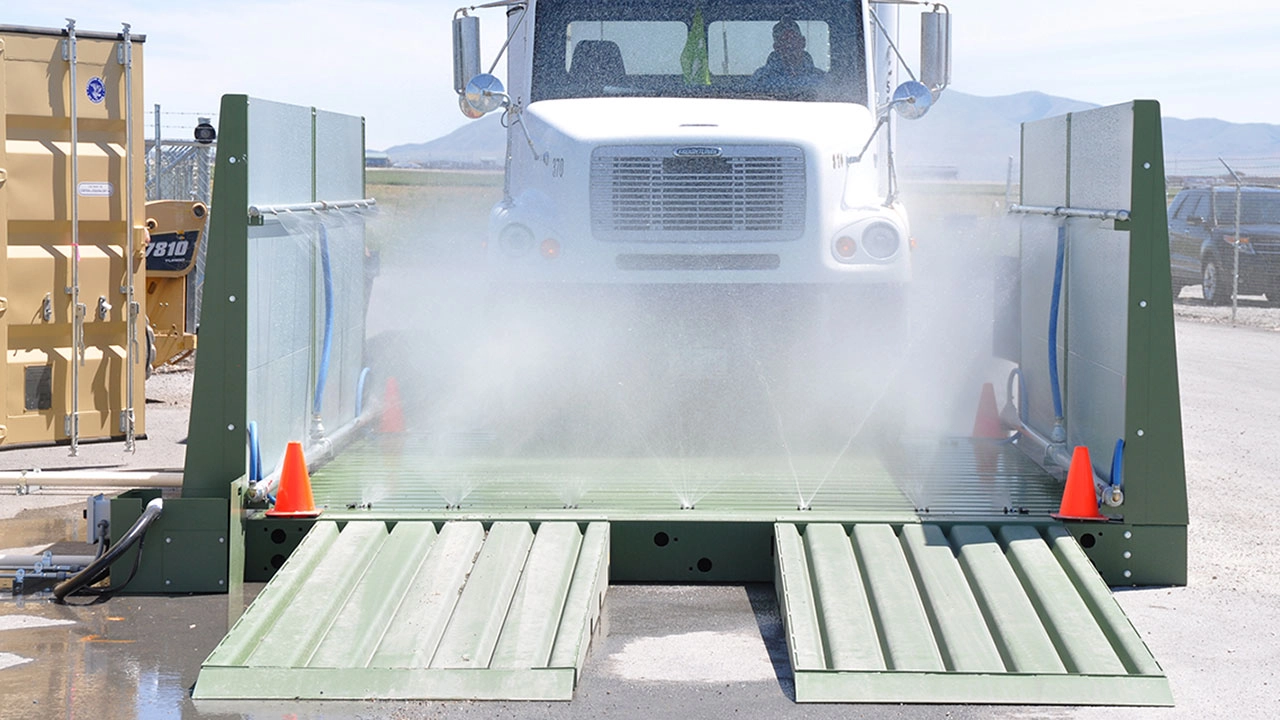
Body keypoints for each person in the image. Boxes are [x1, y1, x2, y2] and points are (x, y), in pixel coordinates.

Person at [751, 18, 824, 90]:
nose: (789, 44)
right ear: (776, 46)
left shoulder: (821, 79)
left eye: (793, 38)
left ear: (803, 41)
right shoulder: (761, 79)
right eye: (784, 40)